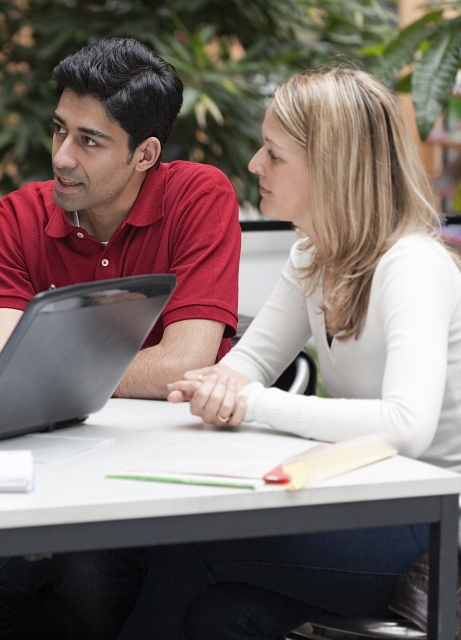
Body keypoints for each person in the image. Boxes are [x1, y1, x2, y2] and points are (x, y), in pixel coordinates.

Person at [116, 67, 461, 640]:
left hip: (433, 529)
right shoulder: (314, 256)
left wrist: (253, 403)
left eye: (274, 154)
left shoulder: (411, 266)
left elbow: (407, 427)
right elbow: (240, 371)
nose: (254, 165)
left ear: (331, 167)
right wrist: (215, 389)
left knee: (191, 546)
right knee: (220, 617)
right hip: (369, 498)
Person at [0, 37, 241, 640]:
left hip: (171, 476)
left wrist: (49, 376)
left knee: (90, 570)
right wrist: (134, 372)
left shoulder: (198, 196)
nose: (61, 156)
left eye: (89, 141)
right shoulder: (18, 216)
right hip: (50, 473)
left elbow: (187, 362)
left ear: (145, 153)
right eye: (59, 130)